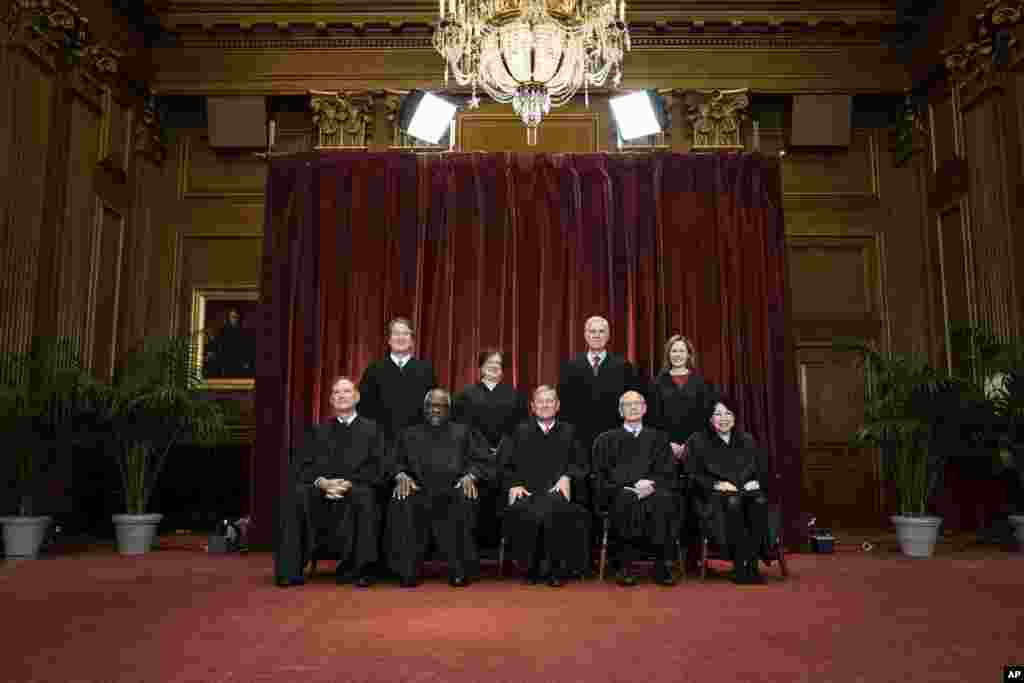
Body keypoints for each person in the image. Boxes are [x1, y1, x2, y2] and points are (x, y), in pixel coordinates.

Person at [275, 377, 384, 588]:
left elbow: (379, 466)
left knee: (366, 496)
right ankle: (289, 570)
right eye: (336, 392)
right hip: (322, 490)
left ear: (357, 397)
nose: (341, 396)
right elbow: (302, 466)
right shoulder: (318, 431)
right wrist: (322, 482)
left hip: (355, 488)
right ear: (331, 400)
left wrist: (348, 484)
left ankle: (362, 570)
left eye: (346, 391)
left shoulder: (373, 430)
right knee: (295, 495)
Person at [385, 389, 493, 587]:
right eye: (431, 406)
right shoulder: (408, 434)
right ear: (424, 409)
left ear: (448, 410)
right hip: (418, 490)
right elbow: (392, 461)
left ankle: (459, 569)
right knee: (402, 498)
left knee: (465, 497)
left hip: (454, 490)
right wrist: (400, 475)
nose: (435, 410)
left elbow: (484, 461)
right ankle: (407, 570)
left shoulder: (464, 432)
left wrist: (471, 475)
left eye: (440, 406)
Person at [500, 385, 591, 587]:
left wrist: (568, 476)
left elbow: (581, 465)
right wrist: (513, 483)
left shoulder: (571, 431)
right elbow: (505, 465)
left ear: (557, 406)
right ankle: (529, 568)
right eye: (540, 401)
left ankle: (555, 570)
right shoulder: (518, 431)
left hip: (558, 493)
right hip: (527, 491)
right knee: (525, 509)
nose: (545, 405)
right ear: (532, 406)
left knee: (555, 508)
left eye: (550, 401)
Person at [648, 334, 720, 572]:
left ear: (689, 354)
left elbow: (707, 418)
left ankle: (695, 559)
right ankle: (668, 557)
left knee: (695, 503)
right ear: (668, 355)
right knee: (669, 502)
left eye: (681, 351)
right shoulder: (657, 383)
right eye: (673, 351)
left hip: (696, 451)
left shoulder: (702, 383)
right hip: (665, 451)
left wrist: (689, 445)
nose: (677, 354)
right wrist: (669, 444)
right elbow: (653, 419)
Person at [592, 391, 679, 587]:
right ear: (620, 411)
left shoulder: (659, 438)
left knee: (664, 499)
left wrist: (652, 485)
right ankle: (625, 565)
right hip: (619, 492)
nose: (632, 408)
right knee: (625, 499)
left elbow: (668, 473)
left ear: (645, 408)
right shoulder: (606, 440)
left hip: (654, 490)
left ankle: (661, 565)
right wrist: (631, 486)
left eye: (637, 404)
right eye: (627, 405)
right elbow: (600, 476)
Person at [686, 399, 771, 585]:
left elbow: (761, 470)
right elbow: (692, 475)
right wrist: (717, 484)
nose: (723, 418)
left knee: (759, 502)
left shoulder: (747, 439)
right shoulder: (697, 440)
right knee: (733, 502)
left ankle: (753, 565)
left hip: (746, 492)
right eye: (718, 414)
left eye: (728, 414)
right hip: (714, 497)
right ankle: (739, 564)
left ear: (734, 417)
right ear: (710, 419)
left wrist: (755, 482)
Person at [453, 349, 528, 548]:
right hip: (474, 460)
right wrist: (483, 450)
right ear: (480, 367)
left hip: (507, 459)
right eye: (490, 362)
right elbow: (462, 429)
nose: (494, 366)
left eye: (498, 363)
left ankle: (507, 548)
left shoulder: (515, 395)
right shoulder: (465, 395)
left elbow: (520, 429)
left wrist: (502, 449)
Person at [558, 316, 644, 458]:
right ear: (586, 335)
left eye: (601, 331)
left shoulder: (623, 367)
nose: (597, 335)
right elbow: (564, 407)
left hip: (615, 441)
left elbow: (632, 406)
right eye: (592, 331)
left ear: (608, 335)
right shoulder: (570, 367)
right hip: (579, 442)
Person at [357, 317, 438, 447]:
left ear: (412, 340)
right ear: (389, 340)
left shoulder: (426, 371)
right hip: (381, 443)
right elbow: (363, 408)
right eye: (396, 333)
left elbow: (432, 408)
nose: (400, 337)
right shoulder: (374, 370)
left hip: (416, 443)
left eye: (405, 333)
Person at [205, 307, 255, 378]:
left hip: (240, 365)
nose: (234, 319)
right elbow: (217, 345)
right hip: (226, 364)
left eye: (236, 317)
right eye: (232, 317)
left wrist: (246, 361)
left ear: (239, 318)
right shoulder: (223, 331)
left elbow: (248, 348)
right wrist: (212, 340)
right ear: (229, 318)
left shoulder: (244, 332)